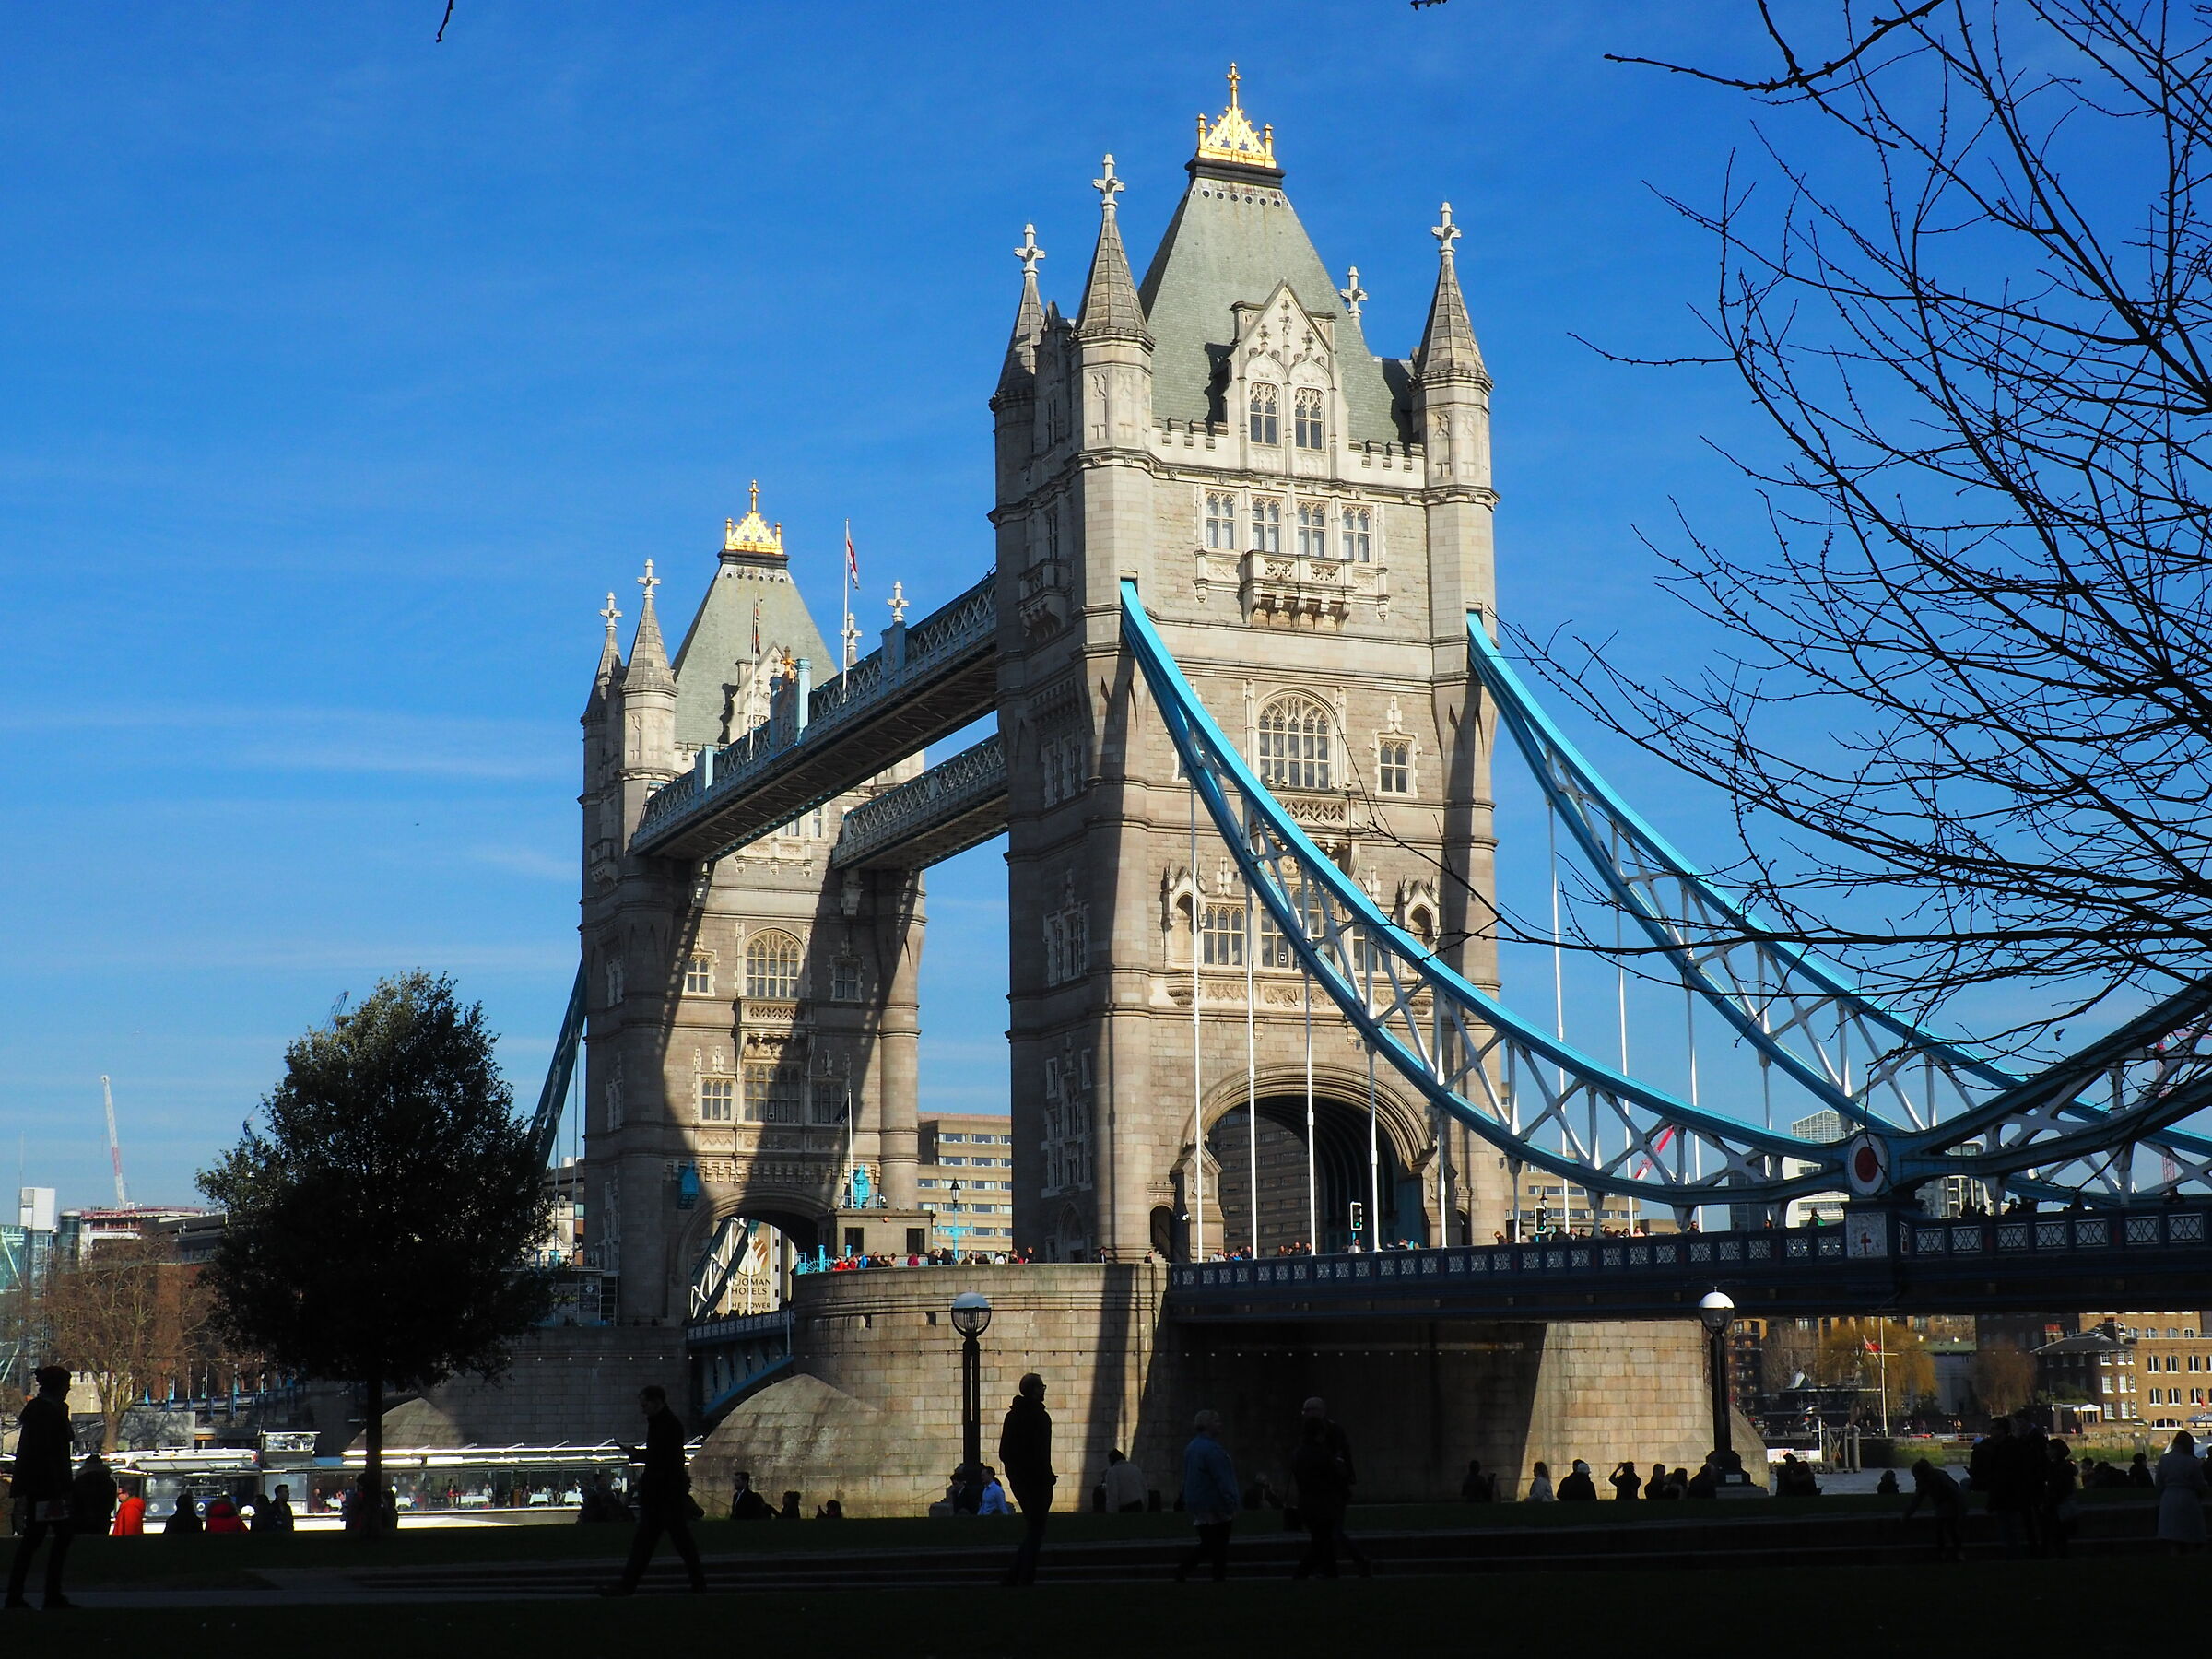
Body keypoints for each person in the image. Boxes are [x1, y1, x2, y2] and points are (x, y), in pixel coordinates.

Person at [599, 1384, 706, 1596]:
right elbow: (664, 1456)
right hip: (666, 1494)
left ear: (656, 1402)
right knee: (673, 1541)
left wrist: (638, 1455)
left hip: (662, 1495)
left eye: (645, 1404)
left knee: (653, 1542)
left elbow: (662, 1458)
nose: (642, 1409)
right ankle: (697, 1583)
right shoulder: (667, 1423)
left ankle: (627, 1586)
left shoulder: (666, 1425)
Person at [5, 1365, 76, 1610]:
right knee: (54, 1538)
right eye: (66, 1385)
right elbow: (52, 1450)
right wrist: (59, 1486)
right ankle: (48, 1594)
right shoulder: (48, 1412)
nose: (68, 1389)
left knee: (36, 1540)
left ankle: (23, 1594)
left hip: (42, 1485)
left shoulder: (43, 1410)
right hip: (48, 1486)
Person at [1298, 1399, 1372, 1576]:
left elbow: (1338, 1460)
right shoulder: (1311, 1434)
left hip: (1332, 1492)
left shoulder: (1332, 1432)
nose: (1307, 1413)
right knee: (1326, 1535)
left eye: (1310, 1410)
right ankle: (1331, 1570)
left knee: (1331, 1532)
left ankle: (1357, 1561)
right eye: (1305, 1410)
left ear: (1322, 1411)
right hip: (1321, 1493)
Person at [998, 1373, 1055, 1587]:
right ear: (1034, 1390)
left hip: (1021, 1480)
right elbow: (1042, 1453)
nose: (1044, 1390)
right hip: (1038, 1481)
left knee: (1035, 1527)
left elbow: (1005, 1452)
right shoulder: (1041, 1417)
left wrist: (1016, 1473)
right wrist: (1046, 1476)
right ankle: (1022, 1575)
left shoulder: (1012, 1417)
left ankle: (1016, 1575)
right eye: (1041, 1386)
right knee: (1037, 1528)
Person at [1174, 1409, 1240, 1583]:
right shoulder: (1213, 1450)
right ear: (1208, 1425)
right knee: (1218, 1545)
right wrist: (1231, 1500)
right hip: (1215, 1502)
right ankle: (1206, 1574)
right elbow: (1222, 1478)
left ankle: (1189, 1571)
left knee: (1209, 1543)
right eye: (1216, 1421)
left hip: (1197, 1502)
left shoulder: (1192, 1447)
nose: (1220, 1424)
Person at [1289, 1411, 1350, 1580]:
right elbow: (1336, 1477)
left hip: (1307, 1504)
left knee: (1324, 1541)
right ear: (1319, 1434)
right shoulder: (1322, 1454)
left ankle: (1331, 1574)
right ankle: (1301, 1575)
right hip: (1323, 1504)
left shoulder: (1298, 1453)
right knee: (1321, 1543)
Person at [2155, 1430, 2207, 1553]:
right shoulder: (2192, 1462)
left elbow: (2159, 1483)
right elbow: (2199, 1483)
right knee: (2190, 1531)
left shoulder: (2164, 1459)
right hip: (2188, 1497)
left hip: (2169, 1497)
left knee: (2172, 1533)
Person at [1903, 1457, 1965, 1561]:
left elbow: (1917, 1499)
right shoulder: (1937, 1476)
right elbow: (1917, 1499)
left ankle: (1948, 1553)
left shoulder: (1933, 1479)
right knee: (1946, 1529)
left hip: (1949, 1504)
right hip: (1947, 1504)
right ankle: (1954, 1553)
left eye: (1916, 1476)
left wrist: (1907, 1515)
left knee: (1946, 1529)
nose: (1915, 1479)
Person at [2042, 1440, 2079, 1559]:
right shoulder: (2063, 1467)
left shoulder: (2058, 1468)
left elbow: (2058, 1488)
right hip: (2061, 1504)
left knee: (2058, 1534)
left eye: (2049, 1449)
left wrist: (2050, 1501)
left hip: (2058, 1505)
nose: (2046, 1451)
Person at [70, 1451, 119, 1537]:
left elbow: (75, 1501)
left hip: (82, 1521)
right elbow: (110, 1504)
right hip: (102, 1520)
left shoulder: (79, 1481)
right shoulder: (109, 1482)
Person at [1102, 1449, 1147, 1514]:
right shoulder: (1136, 1469)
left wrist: (1111, 1512)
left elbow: (1112, 1494)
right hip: (1138, 1506)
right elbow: (1144, 1490)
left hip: (1124, 1508)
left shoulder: (1112, 1472)